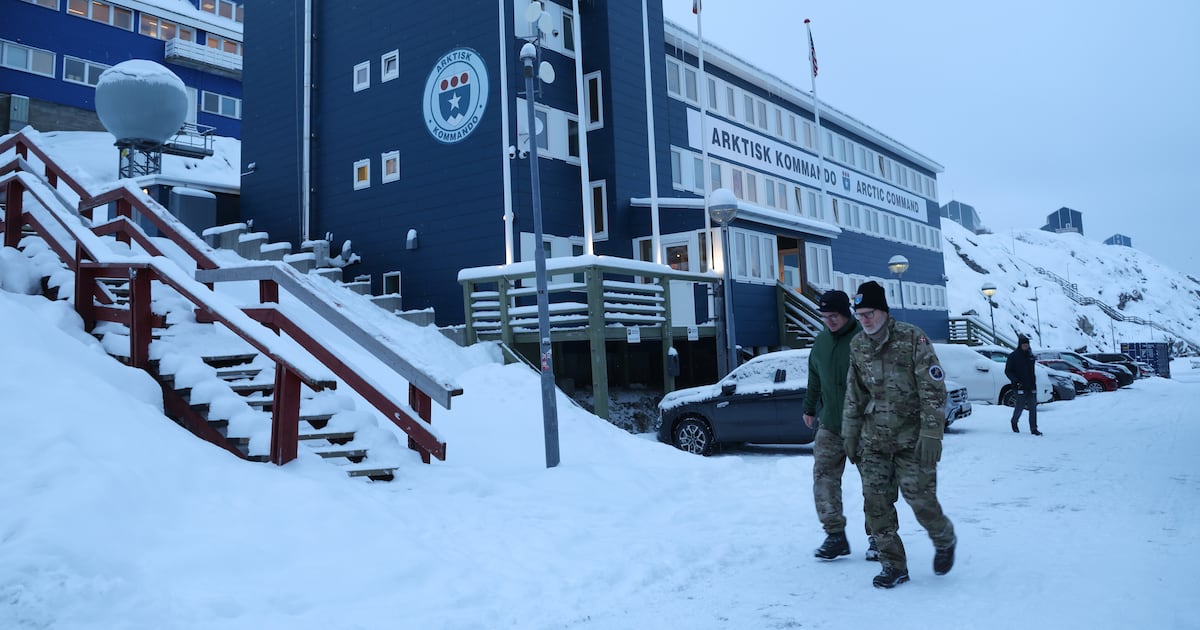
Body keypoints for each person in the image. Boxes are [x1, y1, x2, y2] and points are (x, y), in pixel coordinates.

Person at [842, 281, 957, 589]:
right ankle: (893, 565)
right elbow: (854, 395)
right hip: (874, 441)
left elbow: (933, 389)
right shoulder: (858, 346)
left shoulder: (912, 338)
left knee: (920, 500)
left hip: (912, 439)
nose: (864, 319)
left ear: (883, 311)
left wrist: (933, 433)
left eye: (869, 313)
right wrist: (849, 434)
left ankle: (944, 538)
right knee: (875, 504)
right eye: (859, 314)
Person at [802, 290, 878, 562]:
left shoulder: (865, 338)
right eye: (824, 317)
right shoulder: (821, 341)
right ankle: (835, 535)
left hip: (865, 426)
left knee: (874, 483)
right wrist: (809, 407)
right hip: (831, 424)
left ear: (846, 314)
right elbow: (814, 375)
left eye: (833, 316)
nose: (829, 321)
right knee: (823, 478)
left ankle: (878, 538)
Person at [1005, 335, 1042, 435]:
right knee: (1020, 406)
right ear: (1020, 345)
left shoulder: (1030, 356)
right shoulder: (1013, 356)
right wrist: (1016, 381)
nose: (1026, 347)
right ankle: (1014, 421)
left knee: (1033, 407)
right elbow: (1008, 371)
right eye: (1024, 345)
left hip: (1031, 386)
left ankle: (1034, 428)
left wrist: (1034, 384)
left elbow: (1032, 372)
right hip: (1019, 386)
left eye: (1027, 345)